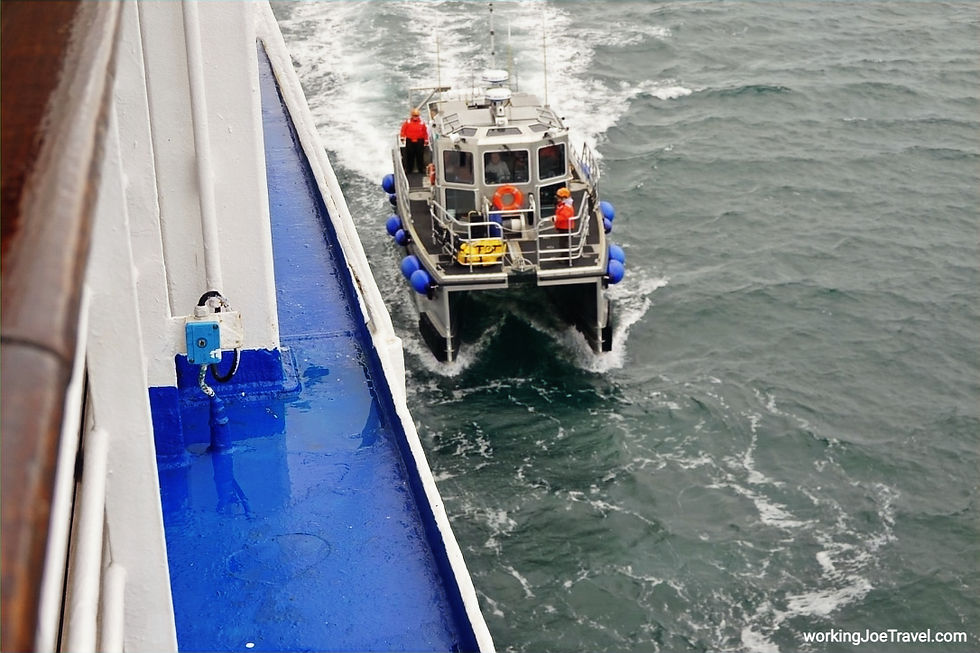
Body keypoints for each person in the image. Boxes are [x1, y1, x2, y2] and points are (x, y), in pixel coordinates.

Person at [400, 108, 428, 174]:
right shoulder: (407, 122)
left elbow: (425, 132)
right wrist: (402, 137)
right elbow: (403, 130)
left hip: (419, 141)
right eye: (414, 116)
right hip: (410, 141)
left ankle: (421, 169)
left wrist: (426, 140)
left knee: (420, 156)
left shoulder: (422, 123)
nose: (415, 117)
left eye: (417, 116)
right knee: (410, 156)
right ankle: (409, 170)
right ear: (412, 116)